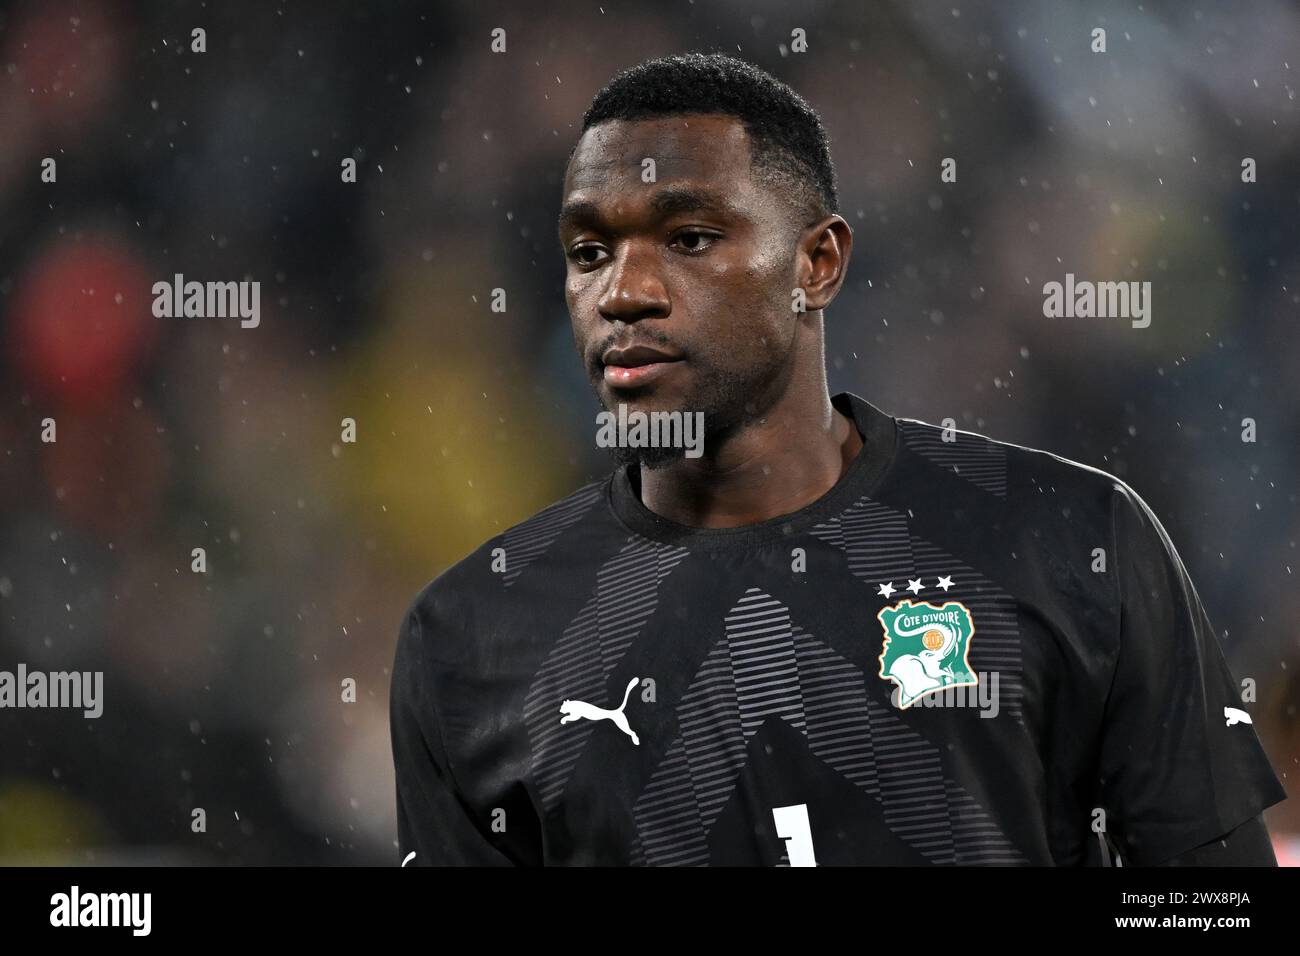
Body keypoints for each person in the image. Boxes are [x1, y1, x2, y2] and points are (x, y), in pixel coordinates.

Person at [389, 52, 1286, 866]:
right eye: (590, 251)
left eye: (690, 239)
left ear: (816, 263)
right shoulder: (473, 634)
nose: (623, 291)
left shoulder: (1075, 539)